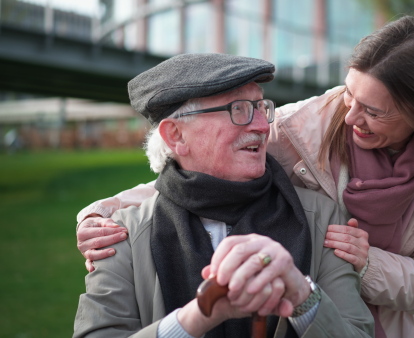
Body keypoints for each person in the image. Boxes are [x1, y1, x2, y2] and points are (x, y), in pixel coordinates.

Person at [76, 16, 414, 338]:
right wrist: (101, 213)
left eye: (374, 111)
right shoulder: (300, 128)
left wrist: (359, 265)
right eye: (349, 95)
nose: (351, 116)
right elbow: (193, 173)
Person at [73, 53, 374, 338]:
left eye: (260, 107)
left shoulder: (323, 217)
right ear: (176, 135)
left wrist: (301, 294)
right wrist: (196, 318)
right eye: (239, 109)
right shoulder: (118, 237)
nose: (261, 126)